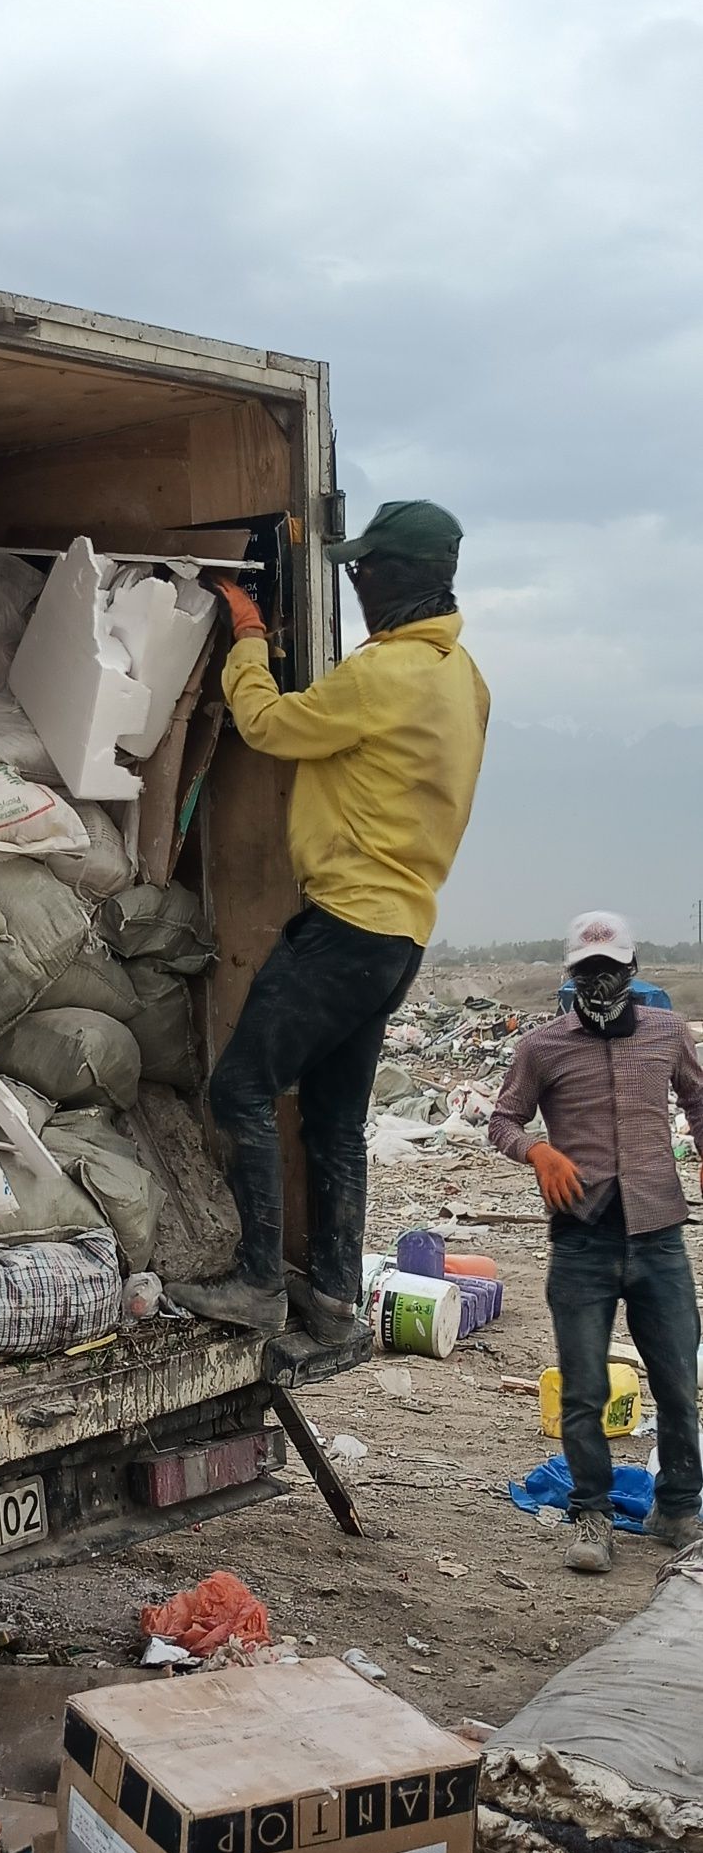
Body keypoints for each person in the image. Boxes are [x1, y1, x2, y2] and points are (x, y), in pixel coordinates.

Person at [192, 501, 489, 1344]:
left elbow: (268, 725)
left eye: (363, 569)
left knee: (240, 1088)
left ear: (399, 576)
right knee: (332, 1118)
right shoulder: (464, 677)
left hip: (347, 925)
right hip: (400, 937)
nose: (354, 581)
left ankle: (257, 1285)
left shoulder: (382, 675)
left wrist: (248, 637)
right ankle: (331, 1297)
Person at [490, 911, 703, 1574]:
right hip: (582, 1241)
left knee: (677, 1381)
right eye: (588, 971)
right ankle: (592, 1515)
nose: (601, 981)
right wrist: (537, 1152)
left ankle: (677, 1510)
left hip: (658, 1235)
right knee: (583, 1390)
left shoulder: (669, 1033)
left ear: (633, 971)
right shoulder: (543, 1047)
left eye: (611, 970)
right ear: (571, 976)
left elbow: (699, 1099)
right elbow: (501, 1120)